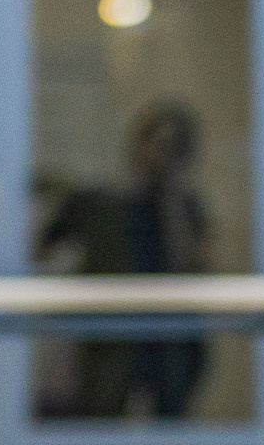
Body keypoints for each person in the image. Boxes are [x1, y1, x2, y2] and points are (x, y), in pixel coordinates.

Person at [35, 100, 212, 421]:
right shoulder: (99, 202)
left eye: (174, 149)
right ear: (139, 145)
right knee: (101, 421)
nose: (163, 157)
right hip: (111, 337)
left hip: (170, 338)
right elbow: (45, 248)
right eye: (158, 145)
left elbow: (194, 263)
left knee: (170, 425)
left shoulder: (184, 208)